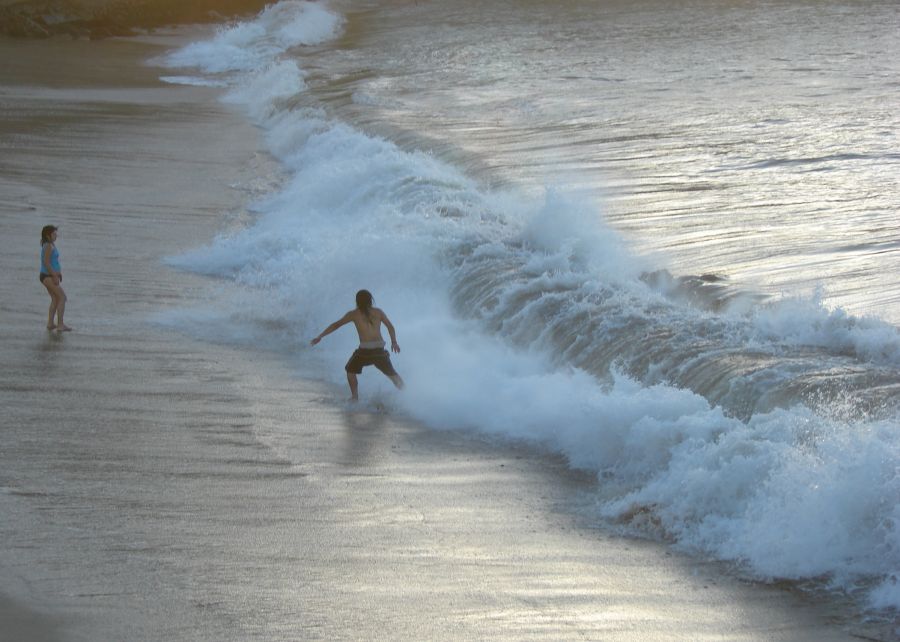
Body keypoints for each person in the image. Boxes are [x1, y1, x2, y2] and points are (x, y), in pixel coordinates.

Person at [310, 289, 404, 401]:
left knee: (350, 371)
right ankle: (407, 394)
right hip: (380, 350)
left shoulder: (353, 314)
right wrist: (394, 342)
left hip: (365, 351)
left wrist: (320, 336)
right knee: (392, 375)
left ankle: (355, 397)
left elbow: (336, 325)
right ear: (370, 300)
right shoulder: (378, 312)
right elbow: (390, 326)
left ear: (357, 301)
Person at [39, 225, 71, 332]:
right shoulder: (48, 245)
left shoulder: (51, 245)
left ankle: (50, 323)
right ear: (48, 235)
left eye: (55, 233)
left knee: (55, 298)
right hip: (48, 276)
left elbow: (53, 262)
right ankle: (60, 325)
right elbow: (46, 262)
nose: (56, 235)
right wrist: (54, 276)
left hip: (49, 275)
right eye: (54, 233)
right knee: (62, 298)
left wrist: (58, 273)